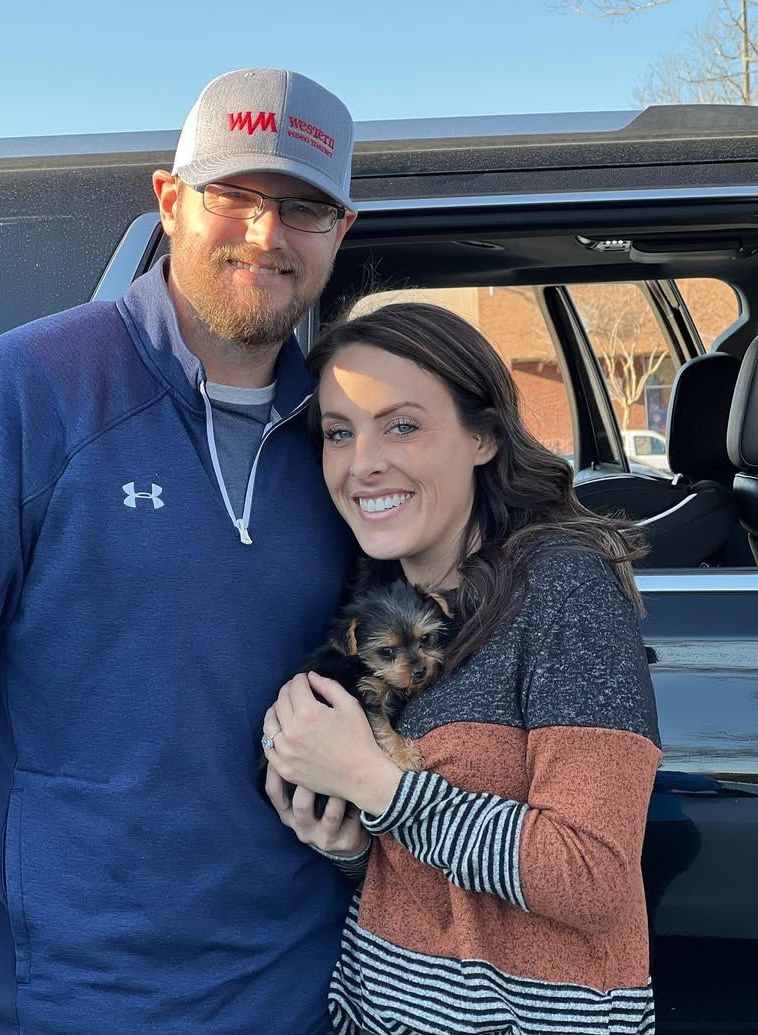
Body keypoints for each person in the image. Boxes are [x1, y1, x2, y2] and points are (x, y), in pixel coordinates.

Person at [0, 68, 358, 1035]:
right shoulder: (24, 394)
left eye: (304, 207)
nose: (267, 232)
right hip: (71, 1003)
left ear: (342, 231)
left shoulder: (350, 439)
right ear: (170, 201)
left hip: (305, 995)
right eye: (235, 194)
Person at [263, 302, 662, 1035]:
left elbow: (592, 877)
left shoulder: (564, 588)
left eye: (402, 426)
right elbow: (434, 875)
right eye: (339, 433)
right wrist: (350, 845)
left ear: (483, 436)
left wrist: (374, 783)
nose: (363, 462)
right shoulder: (377, 599)